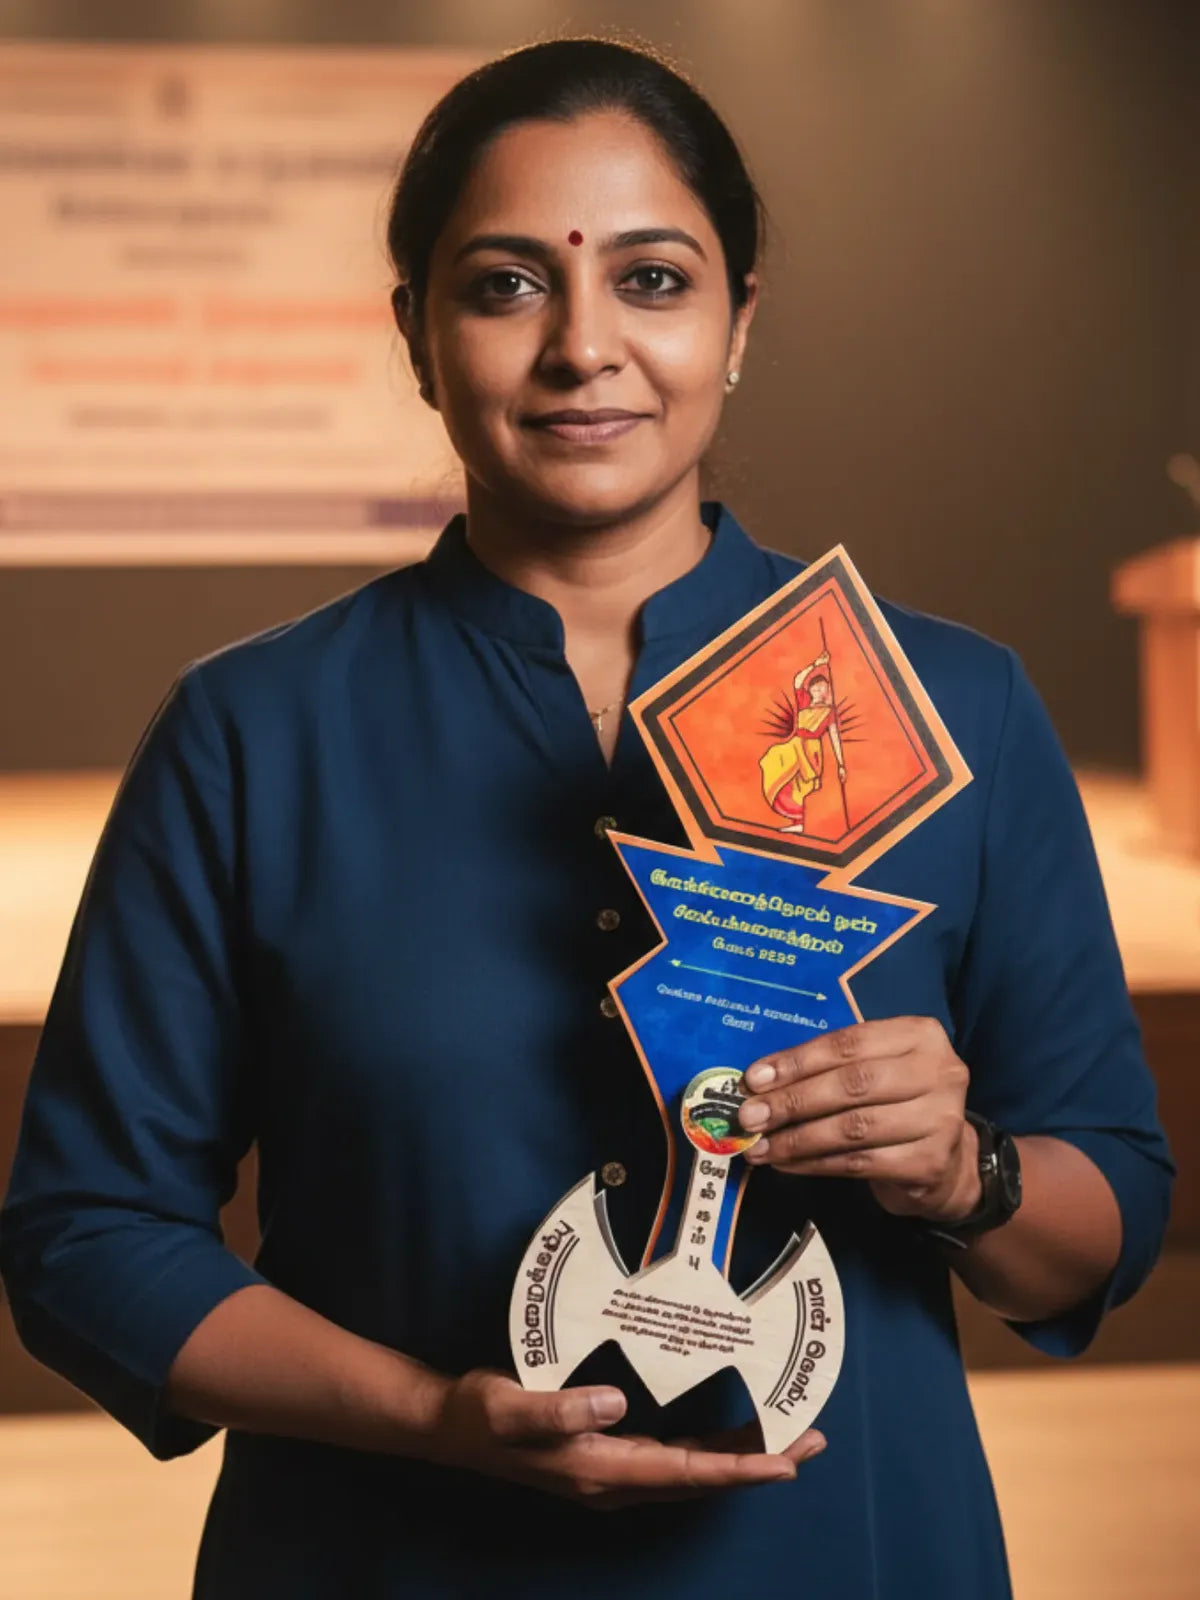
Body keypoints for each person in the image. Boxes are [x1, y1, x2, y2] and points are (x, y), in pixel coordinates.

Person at [0, 37, 1173, 1600]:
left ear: (740, 322)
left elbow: (1104, 1213)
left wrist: (971, 1177)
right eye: (504, 286)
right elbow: (88, 1234)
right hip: (385, 1556)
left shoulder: (951, 707)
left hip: (840, 1556)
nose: (583, 348)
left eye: (655, 280)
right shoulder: (252, 733)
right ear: (415, 335)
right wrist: (432, 1417)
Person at [760, 648, 847, 832]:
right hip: (795, 745)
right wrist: (816, 665)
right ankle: (796, 820)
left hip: (811, 749)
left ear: (826, 690)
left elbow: (835, 738)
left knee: (803, 786)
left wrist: (841, 764)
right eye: (815, 686)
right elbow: (798, 680)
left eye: (822, 687)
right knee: (774, 762)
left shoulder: (829, 712)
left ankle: (799, 822)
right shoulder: (804, 701)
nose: (818, 689)